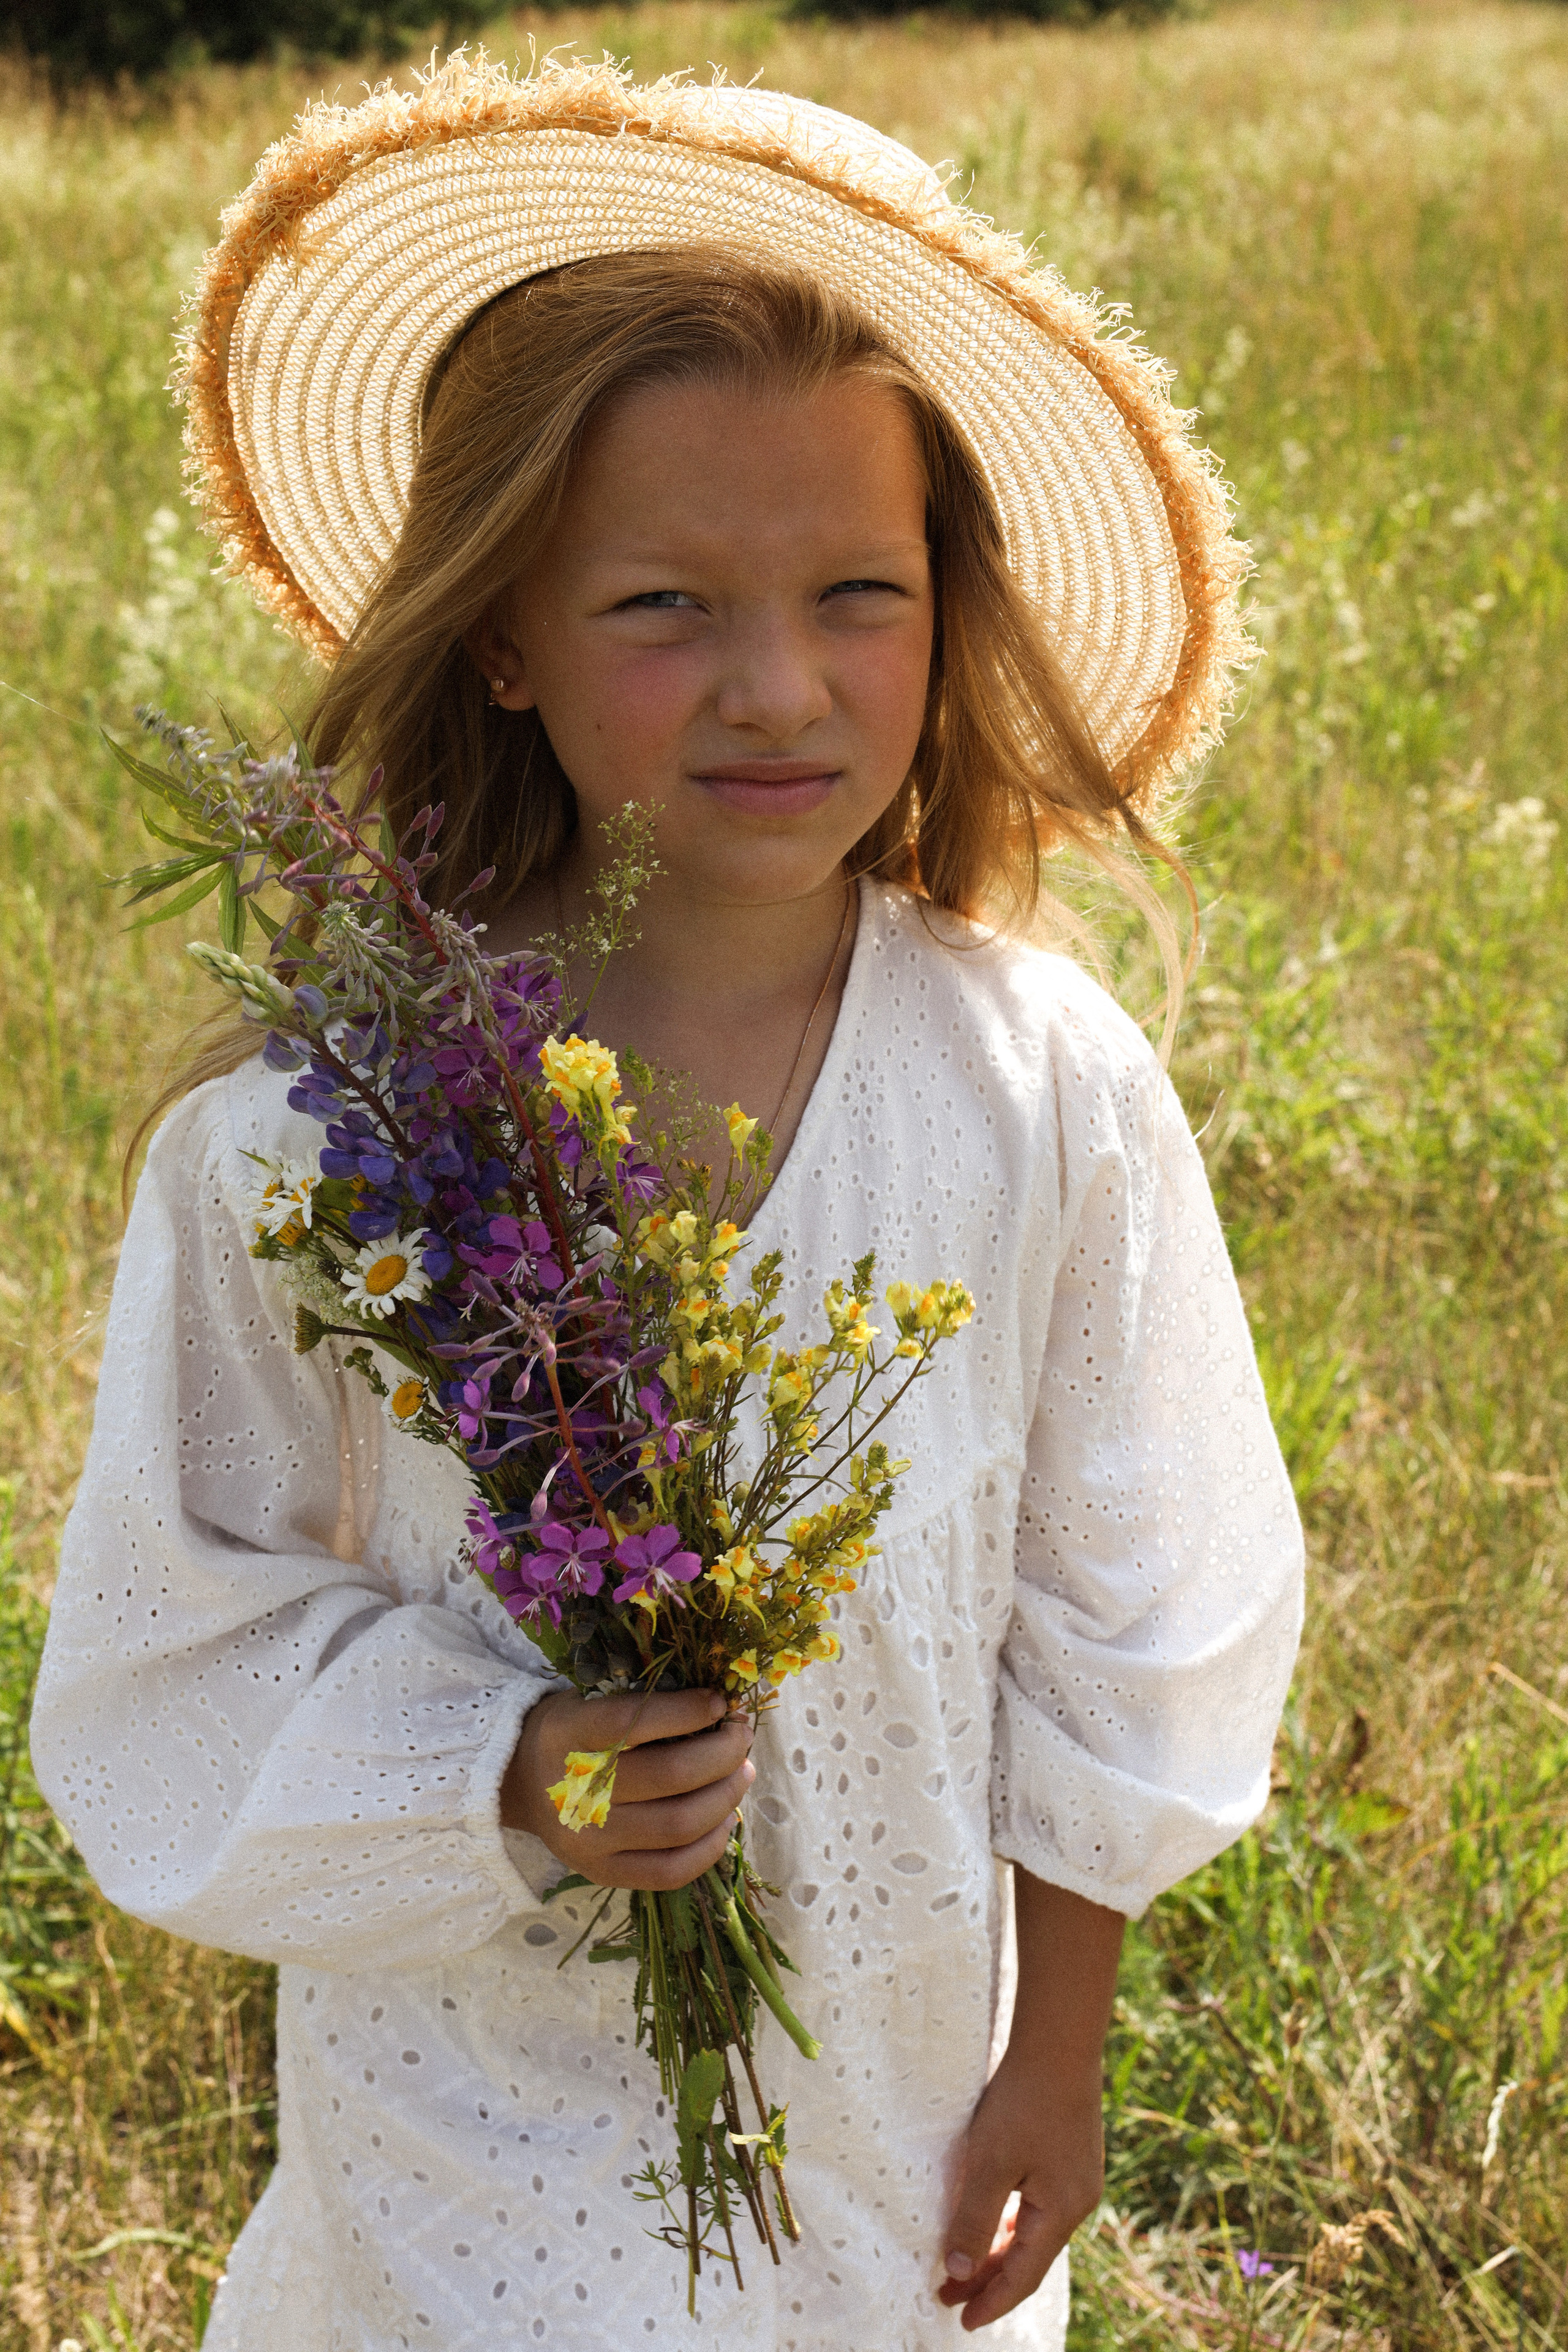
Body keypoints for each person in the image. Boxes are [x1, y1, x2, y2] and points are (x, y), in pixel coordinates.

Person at [32, 54, 1303, 2352]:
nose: (779, 688)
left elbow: (1122, 1598)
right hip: (460, 2157)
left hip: (887, 2135)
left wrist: (1061, 2058)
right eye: (660, 606)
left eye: (857, 593)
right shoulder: (318, 1134)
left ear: (951, 600)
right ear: (498, 633)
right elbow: (171, 1639)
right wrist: (508, 1765)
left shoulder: (1038, 1089)